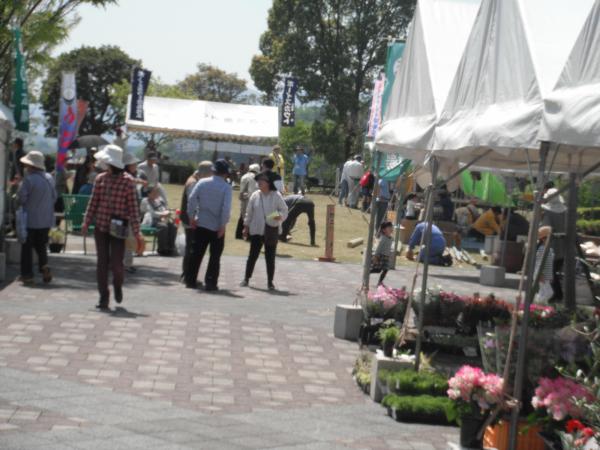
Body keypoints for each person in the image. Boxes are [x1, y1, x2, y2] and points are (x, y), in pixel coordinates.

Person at [82, 145, 143, 310]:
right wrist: (86, 221)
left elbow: (133, 209)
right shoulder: (100, 179)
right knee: (102, 263)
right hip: (101, 226)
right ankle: (103, 296)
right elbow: (93, 202)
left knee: (117, 264)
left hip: (119, 228)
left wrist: (137, 233)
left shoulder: (128, 182)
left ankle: (117, 284)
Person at [185, 159, 232, 291]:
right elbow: (226, 208)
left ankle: (190, 280)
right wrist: (223, 225)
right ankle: (211, 283)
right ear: (225, 174)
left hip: (201, 222)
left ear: (213, 171)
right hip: (217, 226)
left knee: (196, 254)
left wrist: (191, 216)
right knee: (215, 256)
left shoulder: (202, 182)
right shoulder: (226, 187)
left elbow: (192, 199)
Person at [240, 172, 288, 290]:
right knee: (252, 255)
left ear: (268, 183)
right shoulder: (255, 195)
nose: (259, 182)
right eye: (259, 180)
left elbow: (284, 211)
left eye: (263, 180)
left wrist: (274, 216)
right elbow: (249, 212)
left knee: (270, 257)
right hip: (256, 230)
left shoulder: (276, 195)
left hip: (270, 230)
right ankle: (246, 278)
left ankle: (270, 282)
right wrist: (246, 227)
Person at [17, 151, 57, 285]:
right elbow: (54, 197)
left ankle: (27, 275)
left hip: (30, 220)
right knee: (41, 246)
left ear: (31, 166)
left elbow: (21, 198)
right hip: (46, 220)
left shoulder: (28, 179)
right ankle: (44, 266)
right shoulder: (49, 178)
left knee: (27, 247)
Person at [180, 161, 214, 281]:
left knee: (191, 247)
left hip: (189, 219)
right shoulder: (193, 183)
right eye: (210, 174)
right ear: (205, 173)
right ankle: (187, 274)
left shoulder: (194, 180)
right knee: (191, 247)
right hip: (191, 220)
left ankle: (186, 273)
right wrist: (195, 218)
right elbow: (192, 203)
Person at [541, 188, 567, 303]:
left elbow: (545, 229)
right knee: (554, 271)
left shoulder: (548, 213)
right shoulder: (565, 213)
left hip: (551, 245)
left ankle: (556, 294)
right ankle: (556, 295)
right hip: (563, 245)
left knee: (549, 271)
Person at [141, 187, 177, 256]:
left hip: (162, 219)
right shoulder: (145, 201)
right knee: (163, 227)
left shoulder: (158, 200)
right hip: (150, 220)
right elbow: (151, 213)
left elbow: (164, 209)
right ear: (149, 193)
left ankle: (170, 248)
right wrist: (163, 214)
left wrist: (167, 212)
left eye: (157, 192)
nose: (156, 194)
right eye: (154, 192)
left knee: (173, 226)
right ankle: (162, 249)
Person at [123, 152, 143, 274]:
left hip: (122, 214)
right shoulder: (128, 179)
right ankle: (127, 264)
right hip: (128, 214)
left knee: (121, 241)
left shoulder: (126, 177)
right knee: (129, 240)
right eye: (134, 164)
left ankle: (118, 263)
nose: (136, 165)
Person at [236, 163, 260, 239]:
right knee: (250, 217)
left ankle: (238, 234)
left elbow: (242, 190)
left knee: (242, 215)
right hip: (250, 199)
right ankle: (249, 236)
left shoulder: (244, 176)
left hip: (243, 198)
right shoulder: (255, 177)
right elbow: (253, 191)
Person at [534, 226, 555, 303]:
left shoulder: (550, 249)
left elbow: (550, 264)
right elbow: (539, 263)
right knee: (549, 293)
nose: (551, 240)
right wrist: (540, 274)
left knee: (543, 292)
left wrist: (550, 276)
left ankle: (539, 305)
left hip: (546, 275)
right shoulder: (542, 249)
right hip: (541, 275)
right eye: (548, 238)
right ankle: (537, 303)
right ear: (543, 239)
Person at [371, 221, 394, 285]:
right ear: (384, 230)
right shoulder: (383, 238)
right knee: (378, 270)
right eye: (389, 227)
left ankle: (380, 282)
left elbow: (388, 247)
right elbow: (379, 247)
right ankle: (368, 271)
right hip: (381, 256)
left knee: (386, 270)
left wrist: (390, 254)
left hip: (386, 256)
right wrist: (375, 256)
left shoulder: (391, 238)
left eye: (391, 227)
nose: (391, 228)